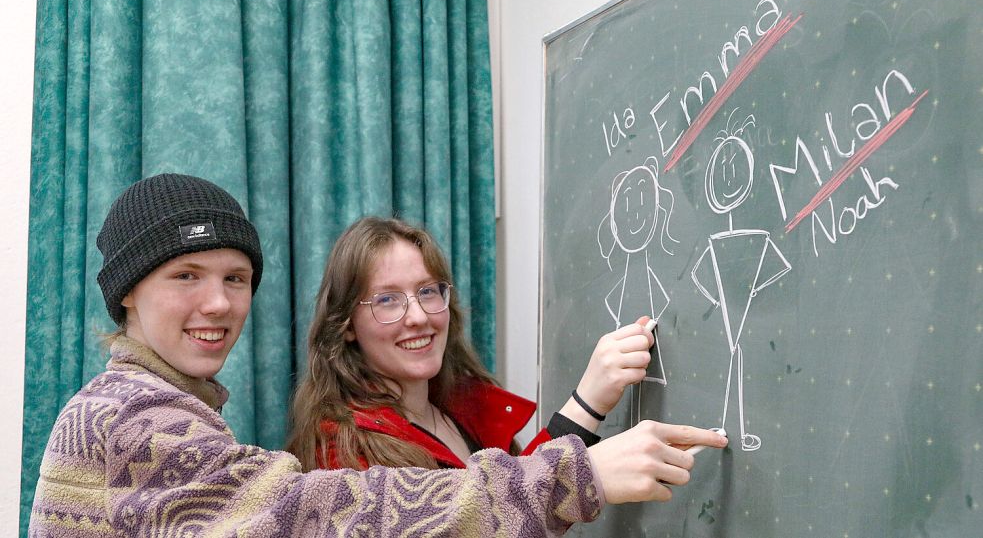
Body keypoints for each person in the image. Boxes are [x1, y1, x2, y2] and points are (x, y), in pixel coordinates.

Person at [28, 173, 728, 537]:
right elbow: (313, 515)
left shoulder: (171, 408)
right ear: (126, 297)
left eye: (235, 278)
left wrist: (583, 408)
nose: (217, 304)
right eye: (186, 276)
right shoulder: (130, 415)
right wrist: (572, 473)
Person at [286, 216, 724, 475]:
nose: (417, 316)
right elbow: (503, 515)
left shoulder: (459, 409)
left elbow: (519, 495)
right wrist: (594, 472)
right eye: (387, 300)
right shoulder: (341, 454)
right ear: (346, 326)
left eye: (427, 291)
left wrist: (588, 402)